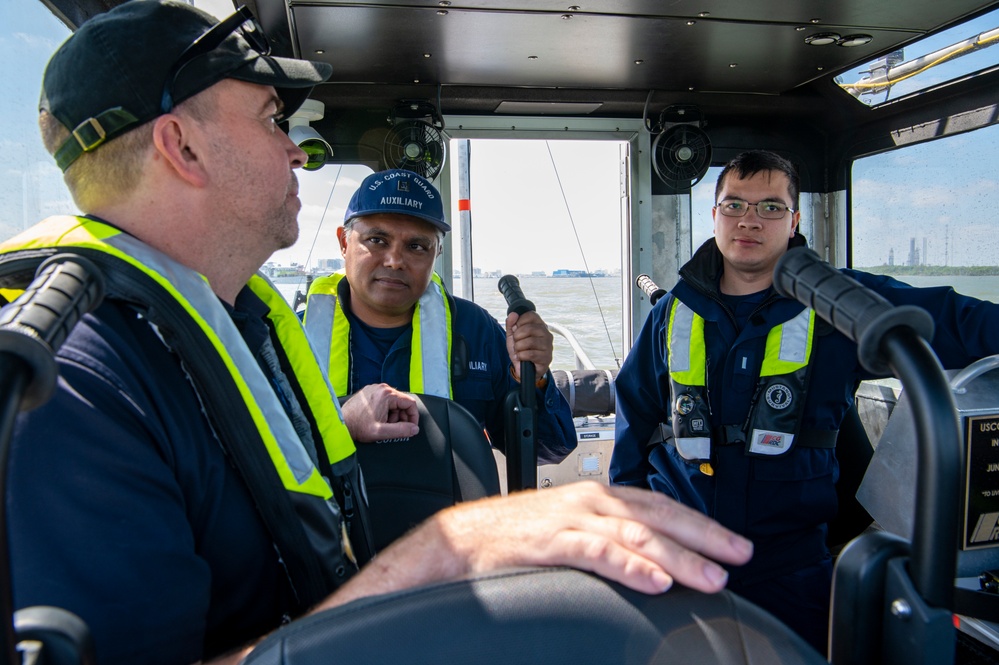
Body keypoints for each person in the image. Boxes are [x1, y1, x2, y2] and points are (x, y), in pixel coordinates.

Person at [0, 2, 753, 664]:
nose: (295, 148)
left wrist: (336, 425)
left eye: (417, 243)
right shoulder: (73, 382)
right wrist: (445, 553)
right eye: (271, 119)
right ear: (182, 147)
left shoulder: (237, 323)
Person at [609, 148, 999, 652]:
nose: (750, 220)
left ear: (794, 221)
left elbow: (959, 321)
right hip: (680, 555)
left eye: (770, 207)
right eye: (735, 205)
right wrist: (631, 524)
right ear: (714, 216)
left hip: (790, 568)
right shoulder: (672, 312)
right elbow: (633, 416)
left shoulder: (840, 303)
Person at [303, 168, 575, 465]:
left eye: (416, 246)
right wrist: (341, 422)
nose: (395, 261)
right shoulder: (290, 333)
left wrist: (533, 380)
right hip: (325, 511)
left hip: (446, 509)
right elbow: (253, 456)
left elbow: (548, 450)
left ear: (437, 253)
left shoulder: (477, 330)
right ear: (344, 243)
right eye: (377, 240)